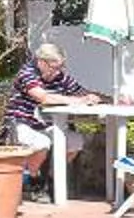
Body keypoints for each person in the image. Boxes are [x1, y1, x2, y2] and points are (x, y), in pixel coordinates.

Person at [7, 42, 104, 197]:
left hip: (44, 125)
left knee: (75, 141)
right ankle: (33, 180)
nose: (58, 71)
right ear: (41, 62)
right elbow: (43, 98)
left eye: (61, 67)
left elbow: (80, 91)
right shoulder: (27, 74)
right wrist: (75, 100)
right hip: (20, 123)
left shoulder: (59, 76)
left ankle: (51, 179)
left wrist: (96, 97)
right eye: (54, 67)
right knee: (41, 143)